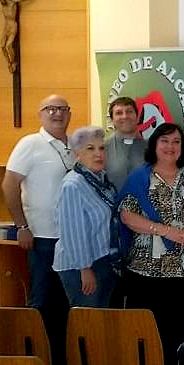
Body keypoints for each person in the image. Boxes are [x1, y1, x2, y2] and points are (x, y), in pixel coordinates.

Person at [118, 122, 184, 365]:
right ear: (154, 145)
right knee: (146, 326)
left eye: (175, 142)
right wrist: (164, 231)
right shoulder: (141, 176)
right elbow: (127, 215)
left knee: (176, 327)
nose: (170, 146)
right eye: (164, 141)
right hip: (146, 269)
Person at [2, 94, 75, 365]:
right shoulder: (30, 144)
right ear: (40, 114)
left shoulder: (74, 145)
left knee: (65, 302)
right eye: (50, 109)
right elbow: (9, 186)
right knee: (42, 301)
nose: (57, 114)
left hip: (70, 238)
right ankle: (36, 360)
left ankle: (59, 360)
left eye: (63, 109)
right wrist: (21, 226)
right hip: (42, 237)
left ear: (69, 113)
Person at [53, 126, 118, 308]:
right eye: (90, 149)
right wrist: (85, 269)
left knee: (100, 322)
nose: (98, 154)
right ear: (78, 155)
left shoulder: (100, 180)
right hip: (80, 266)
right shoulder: (73, 185)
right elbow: (73, 233)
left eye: (101, 148)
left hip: (102, 259)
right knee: (87, 324)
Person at [104, 97, 145, 192]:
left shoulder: (151, 148)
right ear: (112, 120)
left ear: (137, 116)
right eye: (119, 113)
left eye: (129, 111)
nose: (125, 116)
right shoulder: (102, 148)